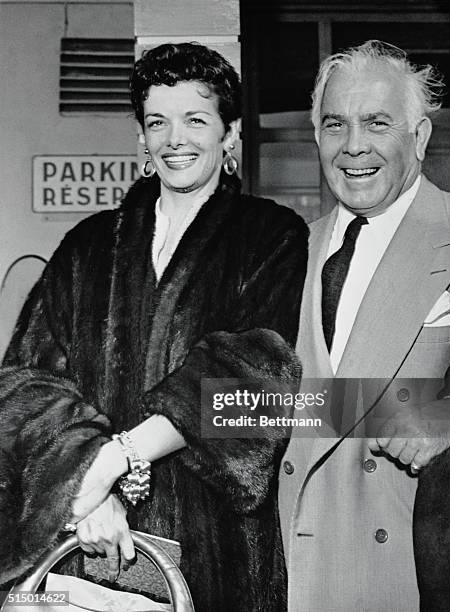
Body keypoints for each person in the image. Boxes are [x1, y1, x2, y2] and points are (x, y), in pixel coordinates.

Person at [0, 42, 308, 611]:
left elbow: (255, 378)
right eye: (157, 122)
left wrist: (114, 460)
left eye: (196, 119)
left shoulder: (272, 236)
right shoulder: (86, 246)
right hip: (87, 547)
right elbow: (26, 382)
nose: (175, 139)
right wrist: (86, 488)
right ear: (141, 137)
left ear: (229, 133)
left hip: (217, 551)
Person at [279, 40, 450, 611]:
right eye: (335, 125)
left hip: (409, 571)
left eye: (377, 123)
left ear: (419, 138)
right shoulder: (287, 250)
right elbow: (240, 408)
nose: (353, 146)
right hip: (286, 574)